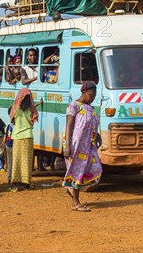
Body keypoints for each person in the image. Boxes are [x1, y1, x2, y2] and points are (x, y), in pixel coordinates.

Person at [63, 81, 103, 212]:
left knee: (96, 169)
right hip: (76, 146)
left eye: (94, 95)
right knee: (78, 172)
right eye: (91, 95)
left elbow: (90, 124)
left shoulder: (90, 108)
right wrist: (68, 146)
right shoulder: (74, 106)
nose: (92, 98)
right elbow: (69, 126)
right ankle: (75, 202)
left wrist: (97, 134)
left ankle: (71, 189)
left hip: (89, 146)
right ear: (84, 93)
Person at [9, 88, 38, 191]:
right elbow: (33, 119)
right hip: (28, 136)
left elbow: (12, 119)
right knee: (27, 161)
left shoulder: (15, 108)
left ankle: (15, 184)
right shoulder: (32, 108)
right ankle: (25, 184)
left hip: (17, 137)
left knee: (16, 160)